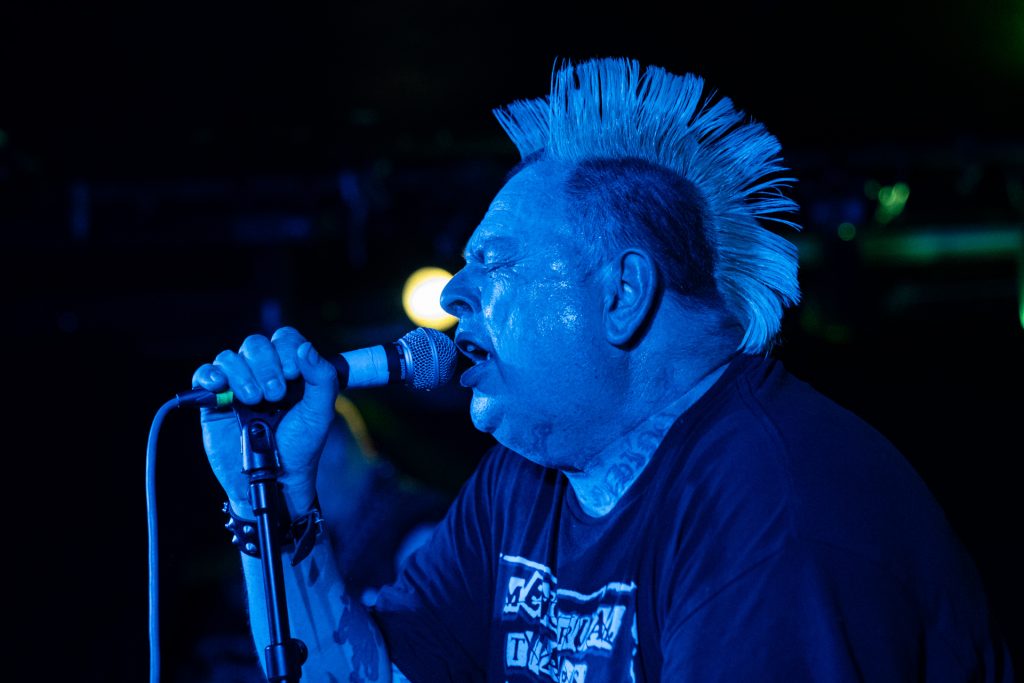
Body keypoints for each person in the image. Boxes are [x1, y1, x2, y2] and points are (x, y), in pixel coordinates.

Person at [191, 57, 1014, 681]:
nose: (457, 293)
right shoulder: (521, 480)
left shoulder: (775, 507)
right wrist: (269, 493)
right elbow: (361, 673)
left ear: (622, 293)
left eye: (496, 262)